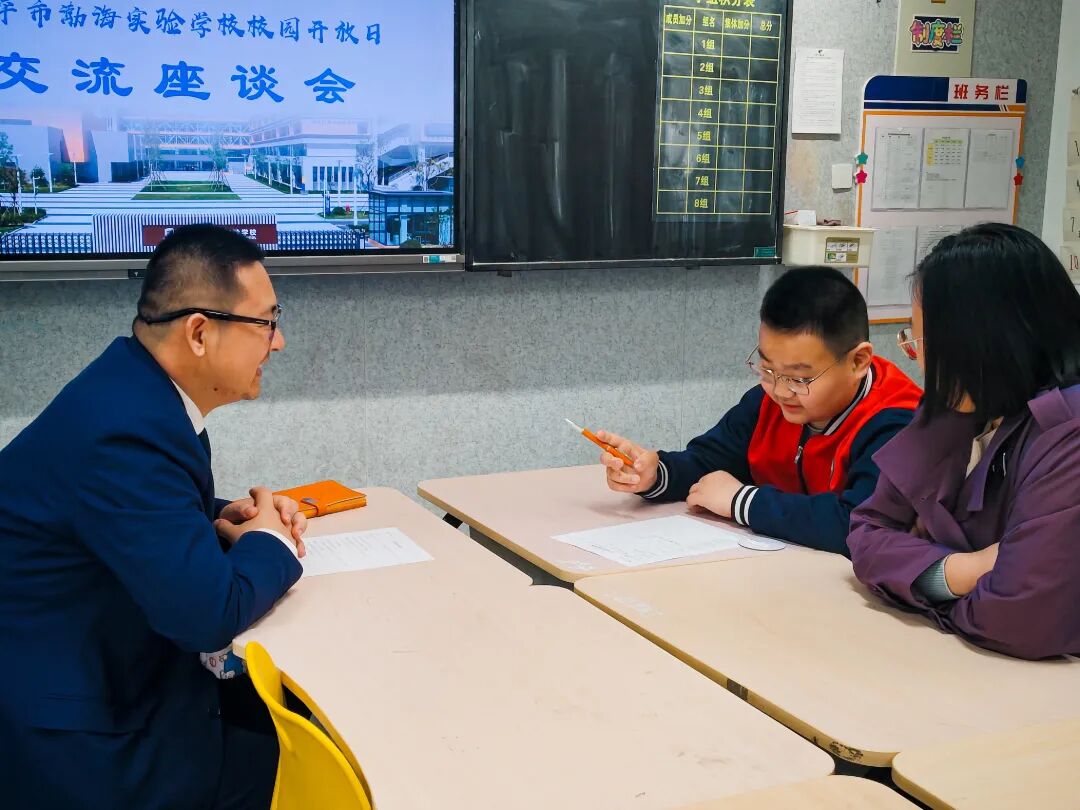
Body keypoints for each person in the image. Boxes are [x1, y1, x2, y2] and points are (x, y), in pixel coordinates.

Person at [0, 224, 307, 809]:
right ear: (199, 332)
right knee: (311, 766)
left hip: (110, 677)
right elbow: (207, 616)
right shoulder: (127, 431)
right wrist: (271, 541)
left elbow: (118, 512)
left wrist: (220, 516)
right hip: (84, 743)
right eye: (267, 322)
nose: (279, 343)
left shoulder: (131, 389)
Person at [849, 223, 1080, 659]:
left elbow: (1020, 618)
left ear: (982, 340)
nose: (920, 362)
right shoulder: (955, 406)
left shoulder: (1067, 429)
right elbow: (867, 534)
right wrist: (967, 569)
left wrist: (916, 570)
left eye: (921, 342)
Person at [599, 267, 922, 555]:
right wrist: (655, 473)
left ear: (858, 361)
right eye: (767, 369)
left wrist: (743, 502)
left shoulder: (898, 421)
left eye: (799, 378)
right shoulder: (768, 403)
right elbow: (708, 462)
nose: (780, 391)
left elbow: (859, 524)